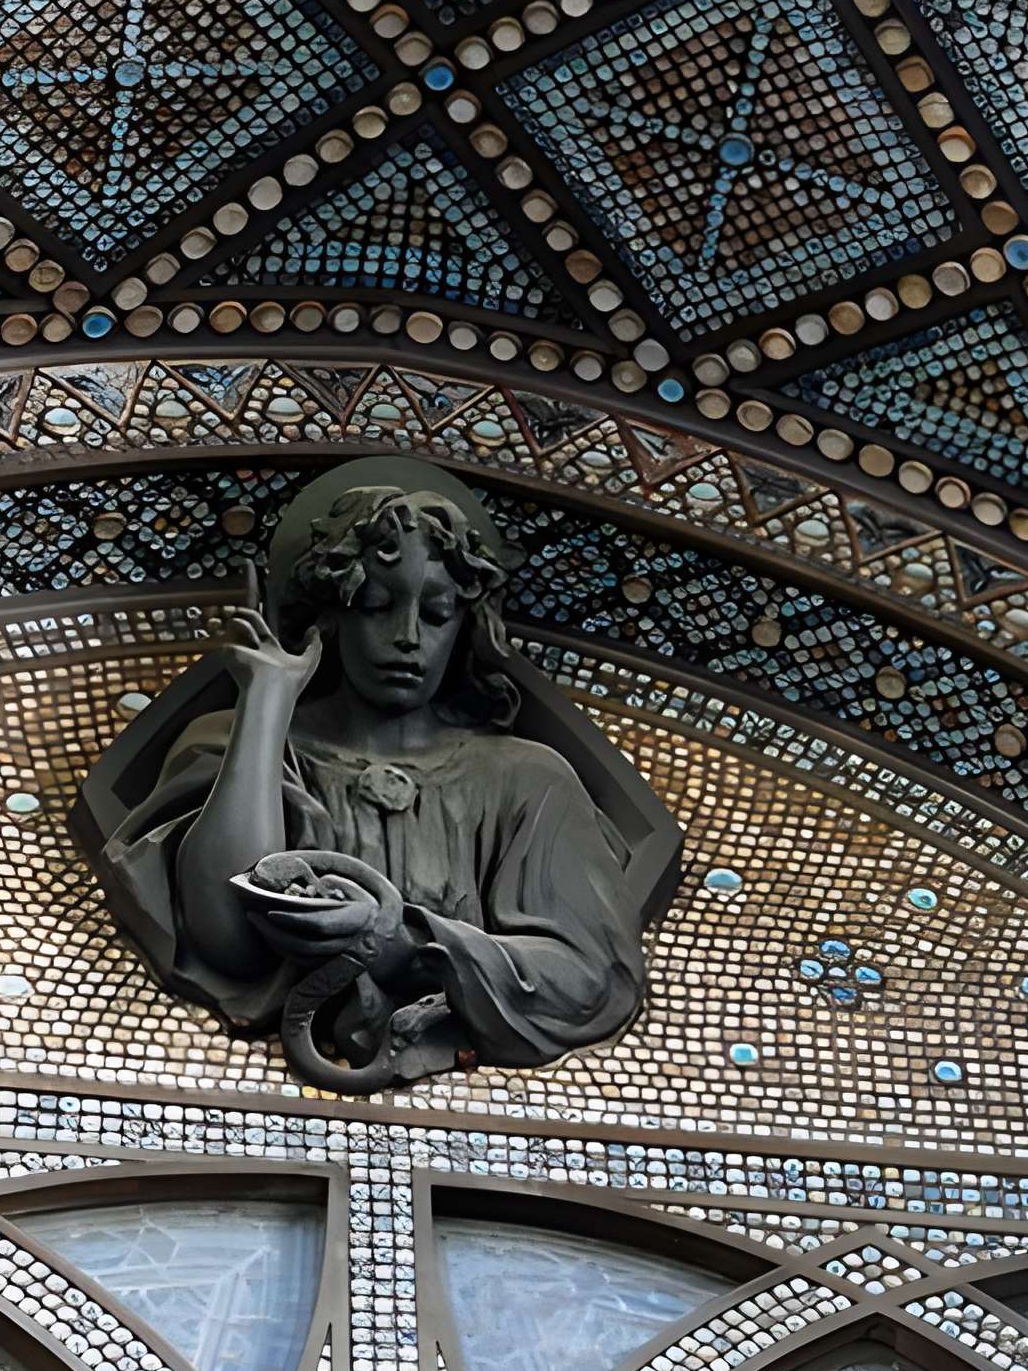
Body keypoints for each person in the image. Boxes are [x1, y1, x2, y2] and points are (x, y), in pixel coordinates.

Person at [76, 462, 668, 1092]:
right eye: (378, 606)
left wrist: (402, 940)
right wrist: (268, 701)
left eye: (437, 615)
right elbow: (224, 934)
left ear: (467, 628)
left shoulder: (528, 778)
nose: (407, 638)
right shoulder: (235, 742)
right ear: (330, 615)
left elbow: (590, 978)